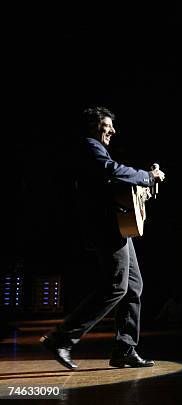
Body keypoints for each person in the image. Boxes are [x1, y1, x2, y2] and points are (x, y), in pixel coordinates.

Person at [40, 107, 165, 370]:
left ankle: (125, 349)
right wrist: (147, 176)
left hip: (117, 226)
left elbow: (113, 185)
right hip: (106, 227)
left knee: (133, 286)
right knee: (117, 286)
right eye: (107, 125)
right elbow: (110, 170)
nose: (113, 131)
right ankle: (61, 338)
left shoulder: (96, 149)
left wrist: (144, 191)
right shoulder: (88, 146)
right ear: (94, 126)